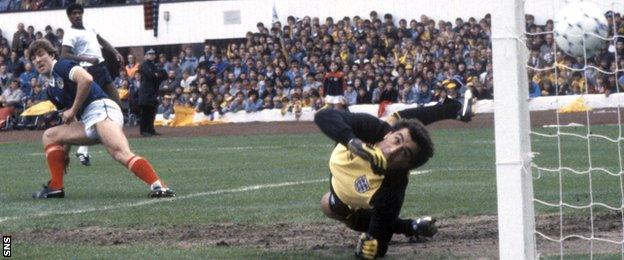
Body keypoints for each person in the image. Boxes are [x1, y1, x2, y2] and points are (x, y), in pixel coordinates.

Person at [313, 90, 475, 259]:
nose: (392, 151)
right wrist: (354, 142)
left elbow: (379, 239)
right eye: (396, 141)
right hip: (345, 161)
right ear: (388, 135)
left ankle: (410, 227)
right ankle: (453, 108)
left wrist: (369, 248)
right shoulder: (372, 129)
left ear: (407, 166)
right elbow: (324, 116)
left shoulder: (394, 186)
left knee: (328, 205)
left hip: (344, 198)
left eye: (404, 154)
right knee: (395, 119)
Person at [28, 39, 175, 199]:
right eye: (33, 58)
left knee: (119, 153)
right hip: (88, 121)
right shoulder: (51, 89)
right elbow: (70, 120)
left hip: (102, 110)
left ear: (52, 54)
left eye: (41, 54)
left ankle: (159, 187)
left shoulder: (61, 66)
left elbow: (86, 79)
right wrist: (65, 153)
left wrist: (73, 110)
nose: (37, 60)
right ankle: (55, 187)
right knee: (49, 136)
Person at [61, 3, 124, 166]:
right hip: (88, 70)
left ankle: (106, 138)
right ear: (69, 17)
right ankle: (83, 148)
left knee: (117, 103)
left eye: (79, 13)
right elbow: (64, 55)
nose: (77, 15)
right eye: (74, 13)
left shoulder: (89, 28)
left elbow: (101, 40)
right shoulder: (70, 33)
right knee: (90, 111)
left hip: (101, 68)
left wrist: (115, 52)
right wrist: (86, 59)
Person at [139, 49, 166, 137]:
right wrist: (156, 74)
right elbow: (150, 75)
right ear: (146, 56)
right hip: (146, 92)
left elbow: (164, 74)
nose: (151, 55)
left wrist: (156, 74)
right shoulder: (144, 65)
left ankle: (150, 129)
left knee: (152, 112)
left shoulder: (155, 65)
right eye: (149, 54)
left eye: (153, 54)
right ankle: (143, 130)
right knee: (145, 112)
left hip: (153, 92)